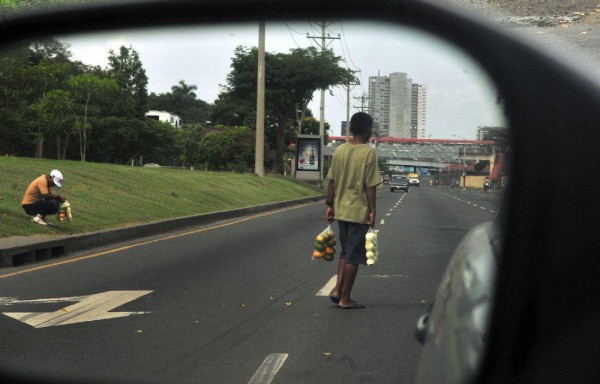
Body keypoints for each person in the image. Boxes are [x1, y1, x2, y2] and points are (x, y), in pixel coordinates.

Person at [325, 112, 381, 309]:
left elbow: (331, 180)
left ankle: (337, 290)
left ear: (350, 129)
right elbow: (370, 186)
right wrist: (373, 210)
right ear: (368, 130)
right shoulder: (368, 153)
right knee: (354, 256)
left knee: (345, 251)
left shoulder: (339, 151)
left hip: (341, 210)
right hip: (358, 212)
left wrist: (329, 205)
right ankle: (345, 299)